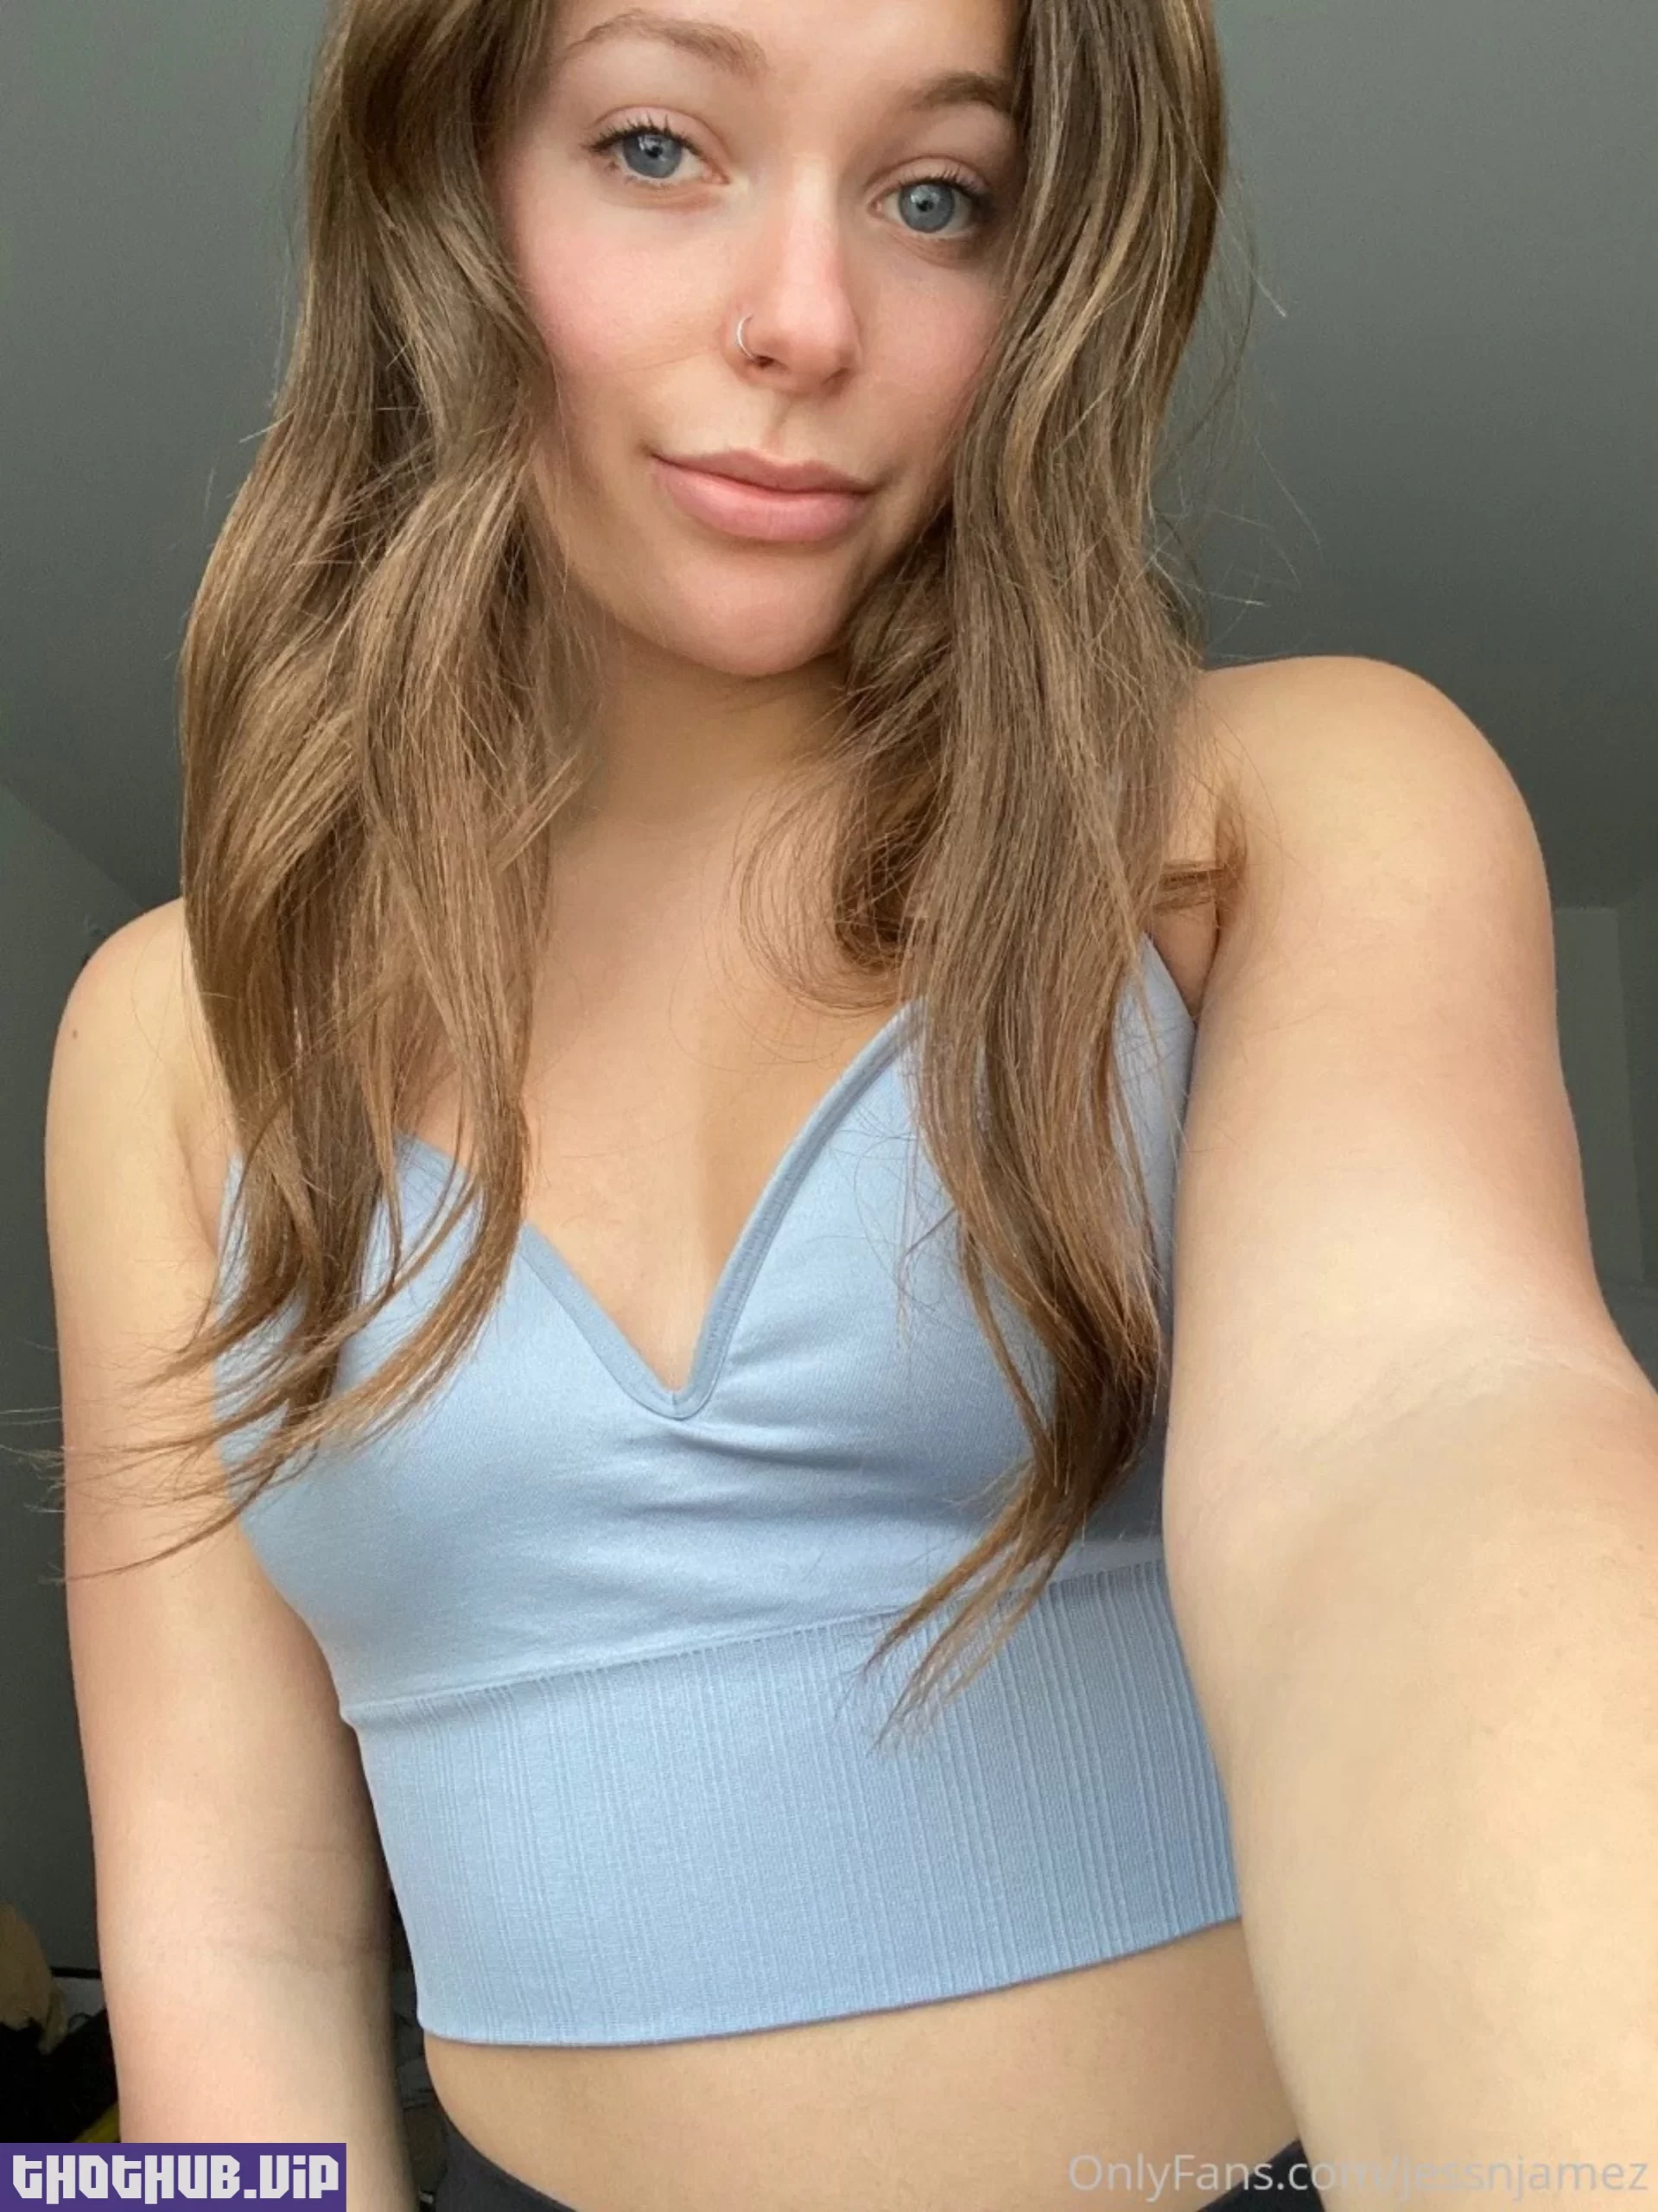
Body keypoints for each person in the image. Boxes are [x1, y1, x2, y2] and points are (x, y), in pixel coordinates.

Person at [48, 0, 1655, 2208]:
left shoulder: (1276, 806)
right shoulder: (176, 1029)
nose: (806, 319)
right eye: (655, 146)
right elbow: (227, 1927)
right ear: (445, 186)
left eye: (935, 196)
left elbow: (1428, 1443)